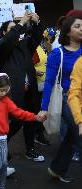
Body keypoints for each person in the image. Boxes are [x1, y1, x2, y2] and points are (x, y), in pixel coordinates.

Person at [0, 73, 45, 189]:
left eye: (6, 90)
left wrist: (35, 117)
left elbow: (18, 112)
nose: (4, 93)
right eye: (1, 90)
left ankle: (2, 186)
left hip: (2, 137)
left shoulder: (6, 100)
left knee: (4, 164)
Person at [38, 16, 82, 183]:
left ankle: (57, 168)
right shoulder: (58, 53)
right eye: (78, 26)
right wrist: (43, 107)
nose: (81, 28)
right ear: (68, 31)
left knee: (71, 136)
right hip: (67, 99)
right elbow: (49, 82)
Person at [0, 12, 44, 162]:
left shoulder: (24, 44)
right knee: (17, 120)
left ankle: (30, 149)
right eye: (11, 29)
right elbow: (9, 39)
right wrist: (21, 23)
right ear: (4, 33)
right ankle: (1, 142)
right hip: (15, 90)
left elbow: (37, 37)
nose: (16, 31)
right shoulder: (3, 46)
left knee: (32, 119)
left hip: (30, 89)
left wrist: (37, 22)